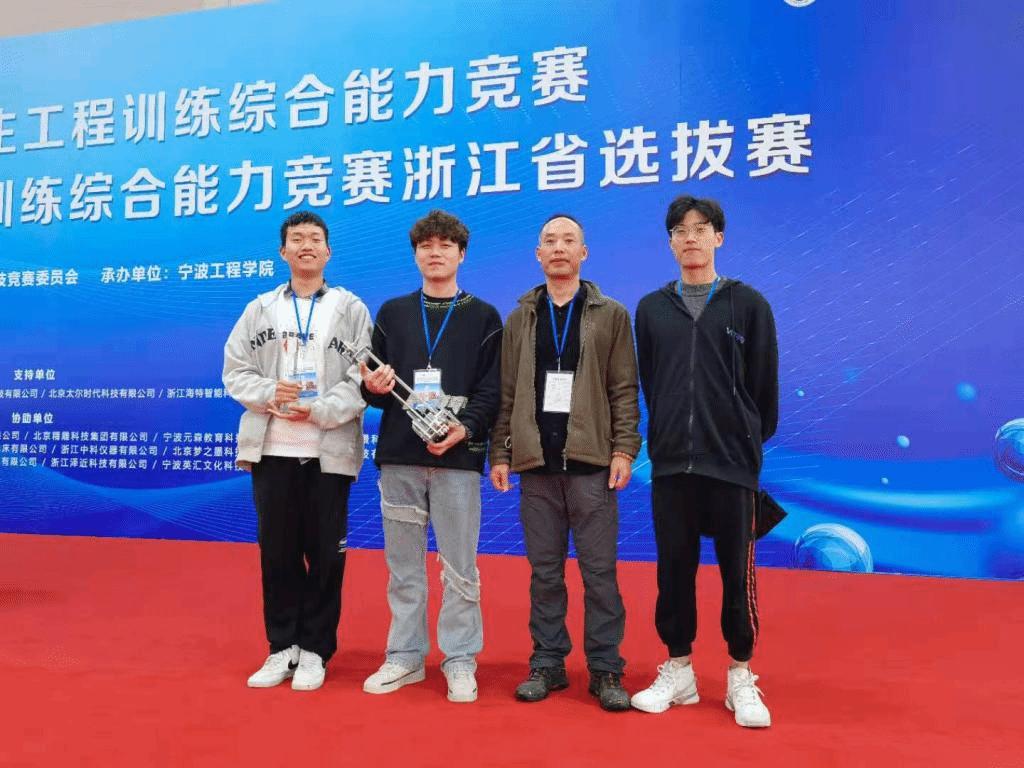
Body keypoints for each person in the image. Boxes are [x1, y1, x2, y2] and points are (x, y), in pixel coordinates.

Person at [631, 195, 779, 727]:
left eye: (700, 228)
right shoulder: (651, 309)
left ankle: (741, 674)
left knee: (736, 578)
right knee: (673, 574)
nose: (689, 237)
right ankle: (679, 671)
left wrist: (742, 441)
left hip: (731, 467)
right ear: (670, 242)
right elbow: (652, 383)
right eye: (679, 230)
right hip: (671, 466)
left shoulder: (749, 304)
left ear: (719, 237)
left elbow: (764, 392)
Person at [489, 213, 641, 712]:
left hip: (592, 466)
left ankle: (606, 668)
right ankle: (548, 662)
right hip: (537, 467)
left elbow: (624, 388)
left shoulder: (611, 314)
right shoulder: (521, 318)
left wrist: (624, 449)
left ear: (583, 252)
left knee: (600, 575)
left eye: (568, 240)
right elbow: (507, 392)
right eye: (550, 241)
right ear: (538, 254)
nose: (559, 248)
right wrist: (500, 453)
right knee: (545, 574)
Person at [223, 210, 372, 692]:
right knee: (278, 555)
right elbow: (234, 371)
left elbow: (363, 379)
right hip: (272, 450)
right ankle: (281, 647)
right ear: (283, 251)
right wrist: (270, 392)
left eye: (315, 238)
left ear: (328, 251)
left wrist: (321, 409)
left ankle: (315, 650)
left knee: (327, 557)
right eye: (297, 238)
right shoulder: (260, 308)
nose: (306, 245)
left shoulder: (351, 309)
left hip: (329, 450)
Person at [359, 209, 502, 704]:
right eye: (426, 246)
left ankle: (460, 659)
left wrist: (465, 428)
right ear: (416, 254)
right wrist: (372, 386)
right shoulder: (393, 312)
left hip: (457, 458)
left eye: (445, 245)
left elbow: (492, 389)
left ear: (462, 254)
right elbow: (373, 390)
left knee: (460, 565)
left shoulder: (484, 316)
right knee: (404, 568)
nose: (435, 253)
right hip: (400, 455)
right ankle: (405, 656)